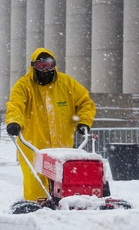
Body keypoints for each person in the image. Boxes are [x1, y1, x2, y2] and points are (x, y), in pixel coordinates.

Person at [5, 47, 96, 201]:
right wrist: (14, 122)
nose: (46, 70)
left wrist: (83, 122)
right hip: (34, 148)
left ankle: (67, 211)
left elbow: (86, 103)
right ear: (33, 66)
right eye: (41, 66)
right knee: (36, 185)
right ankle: (37, 213)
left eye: (49, 65)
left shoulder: (67, 84)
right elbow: (15, 105)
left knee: (66, 184)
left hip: (62, 149)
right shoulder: (23, 86)